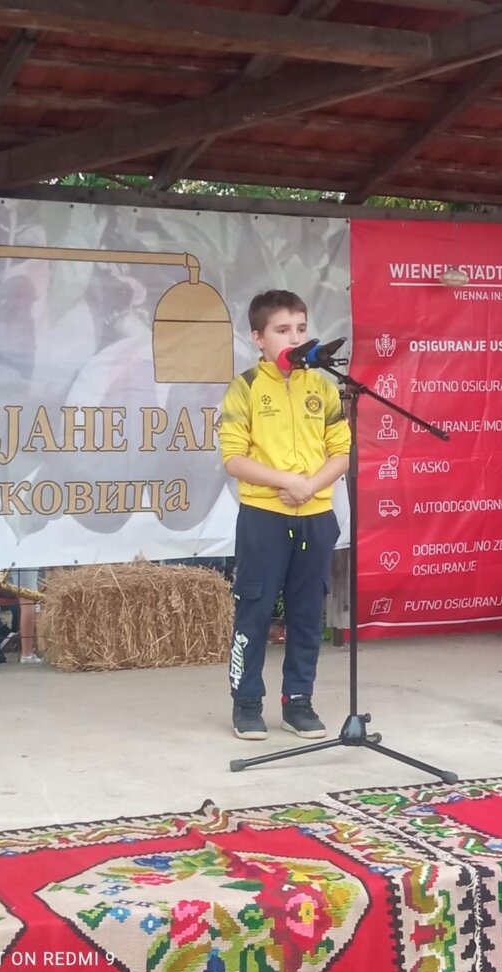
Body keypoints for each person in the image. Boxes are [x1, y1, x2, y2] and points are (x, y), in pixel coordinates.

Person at [219, 289, 350, 740]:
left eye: (300, 328)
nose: (294, 337)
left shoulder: (324, 386)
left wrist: (310, 486)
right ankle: (246, 703)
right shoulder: (244, 387)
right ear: (258, 338)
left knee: (308, 611)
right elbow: (234, 458)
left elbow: (341, 453)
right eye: (282, 330)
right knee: (254, 609)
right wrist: (285, 481)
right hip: (264, 516)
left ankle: (298, 701)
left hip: (316, 513)